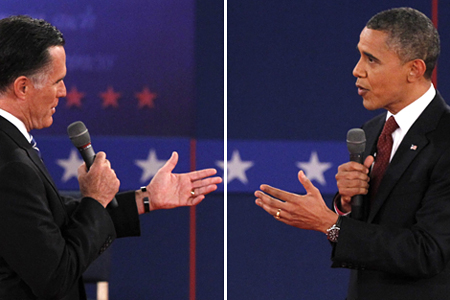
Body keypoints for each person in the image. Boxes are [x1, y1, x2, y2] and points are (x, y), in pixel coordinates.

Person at [0, 15, 222, 299]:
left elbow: (47, 220)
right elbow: (54, 276)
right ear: (23, 87)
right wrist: (94, 198)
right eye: (58, 81)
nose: (64, 92)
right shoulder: (9, 164)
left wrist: (146, 199)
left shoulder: (11, 145)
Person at [255, 7, 450, 300]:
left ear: (414, 69)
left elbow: (428, 252)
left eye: (371, 59)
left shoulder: (445, 138)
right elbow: (372, 234)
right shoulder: (372, 132)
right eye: (360, 55)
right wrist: (347, 204)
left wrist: (330, 224)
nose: (357, 70)